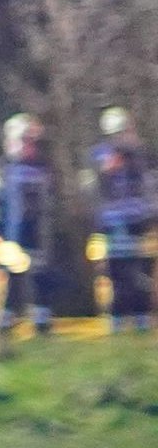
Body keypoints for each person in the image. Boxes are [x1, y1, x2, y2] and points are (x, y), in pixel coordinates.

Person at [0, 112, 58, 341]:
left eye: (33, 141)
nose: (30, 146)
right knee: (10, 278)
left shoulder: (44, 168)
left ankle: (41, 322)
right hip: (9, 235)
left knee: (40, 277)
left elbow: (52, 200)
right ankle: (4, 323)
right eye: (26, 140)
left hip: (38, 235)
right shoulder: (0, 169)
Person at [92, 108, 150, 336]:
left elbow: (147, 185)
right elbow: (93, 186)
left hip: (139, 221)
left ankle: (142, 318)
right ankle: (116, 319)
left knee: (141, 272)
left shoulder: (141, 156)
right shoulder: (100, 156)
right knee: (116, 272)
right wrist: (106, 170)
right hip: (111, 224)